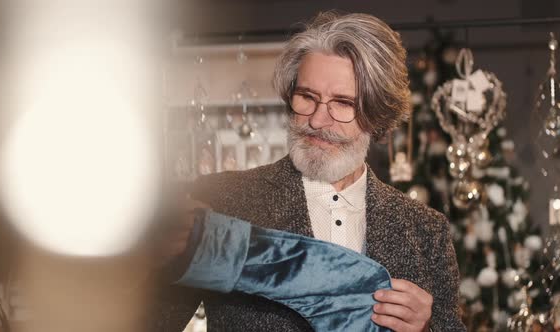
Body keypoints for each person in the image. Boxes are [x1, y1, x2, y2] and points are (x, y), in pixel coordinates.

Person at [149, 11, 464, 332]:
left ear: (377, 115)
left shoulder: (426, 230)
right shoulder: (223, 199)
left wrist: (427, 330)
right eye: (306, 97)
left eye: (342, 103)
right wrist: (146, 263)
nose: (316, 120)